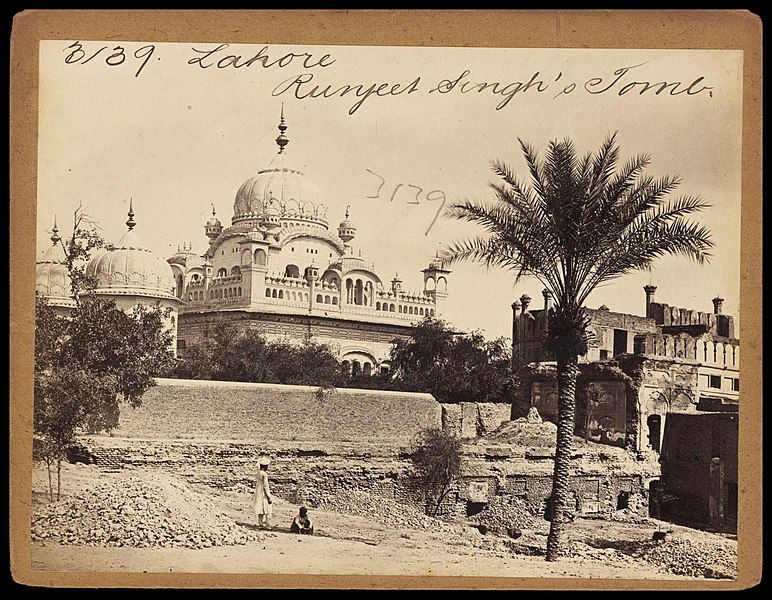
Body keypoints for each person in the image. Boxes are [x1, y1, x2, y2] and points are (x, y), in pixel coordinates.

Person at [253, 457, 273, 528]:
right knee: (267, 509)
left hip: (259, 492)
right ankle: (267, 525)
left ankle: (260, 524)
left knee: (260, 509)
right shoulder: (264, 474)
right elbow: (265, 486)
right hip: (263, 493)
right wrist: (268, 496)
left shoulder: (259, 473)